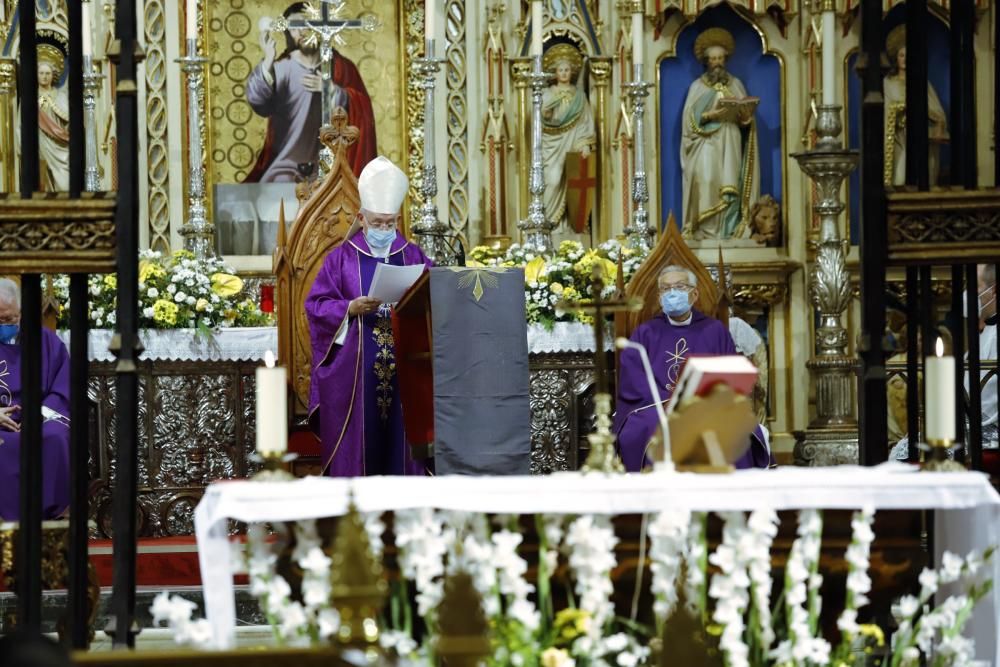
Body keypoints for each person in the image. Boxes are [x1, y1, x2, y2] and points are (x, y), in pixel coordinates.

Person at [305, 157, 432, 476]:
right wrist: (349, 308)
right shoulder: (341, 258)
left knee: (402, 442)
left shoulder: (412, 254)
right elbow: (316, 305)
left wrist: (412, 303)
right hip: (356, 374)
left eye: (390, 223)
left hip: (405, 365)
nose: (384, 230)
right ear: (361, 218)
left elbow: (435, 296)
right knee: (362, 445)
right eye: (377, 223)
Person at [613, 265, 771, 472]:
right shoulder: (646, 333)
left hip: (707, 404)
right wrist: (668, 402)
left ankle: (727, 500)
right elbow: (633, 378)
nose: (672, 293)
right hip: (656, 406)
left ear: (694, 294)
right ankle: (656, 498)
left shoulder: (715, 331)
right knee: (646, 426)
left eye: (679, 287)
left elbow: (730, 374)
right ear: (659, 296)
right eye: (665, 289)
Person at [245, 2, 377, 182]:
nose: (300, 32)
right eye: (293, 28)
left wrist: (332, 91)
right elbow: (259, 101)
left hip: (336, 165)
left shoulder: (342, 68)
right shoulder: (282, 68)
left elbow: (363, 109)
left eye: (304, 25)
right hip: (288, 164)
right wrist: (268, 60)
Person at [0, 278, 71, 520]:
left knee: (55, 437)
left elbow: (64, 387)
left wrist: (39, 414)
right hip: (1, 424)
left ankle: (53, 520)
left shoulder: (46, 341)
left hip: (39, 420)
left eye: (9, 319)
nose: (5, 325)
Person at [680, 28, 759, 241]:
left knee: (731, 182)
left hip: (731, 138)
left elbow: (745, 121)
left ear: (726, 59)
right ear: (705, 61)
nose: (717, 63)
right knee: (705, 179)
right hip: (706, 143)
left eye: (720, 58)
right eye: (712, 58)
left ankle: (728, 230)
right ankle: (703, 230)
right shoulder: (697, 87)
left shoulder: (735, 84)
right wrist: (709, 115)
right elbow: (688, 122)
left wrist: (746, 119)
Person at [883, 25, 949, 187]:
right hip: (898, 140)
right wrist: (900, 110)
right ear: (896, 58)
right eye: (901, 55)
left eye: (908, 55)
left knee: (921, 180)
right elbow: (885, 112)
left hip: (919, 139)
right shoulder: (888, 83)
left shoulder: (922, 83)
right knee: (899, 179)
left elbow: (937, 112)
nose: (905, 59)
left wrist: (926, 113)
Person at [541, 46, 596, 233]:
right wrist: (546, 113)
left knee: (574, 182)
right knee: (553, 180)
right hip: (551, 145)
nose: (564, 73)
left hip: (573, 143)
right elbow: (540, 120)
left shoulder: (579, 96)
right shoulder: (548, 94)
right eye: (560, 70)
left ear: (572, 72)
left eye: (567, 70)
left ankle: (570, 226)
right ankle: (548, 223)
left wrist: (585, 144)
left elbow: (585, 122)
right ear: (555, 73)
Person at [16, 44, 70, 192]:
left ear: (53, 75)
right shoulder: (29, 98)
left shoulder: (61, 96)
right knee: (40, 186)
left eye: (47, 73)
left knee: (64, 186)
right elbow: (20, 125)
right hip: (38, 145)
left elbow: (70, 122)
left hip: (61, 148)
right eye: (41, 73)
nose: (44, 76)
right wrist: (23, 147)